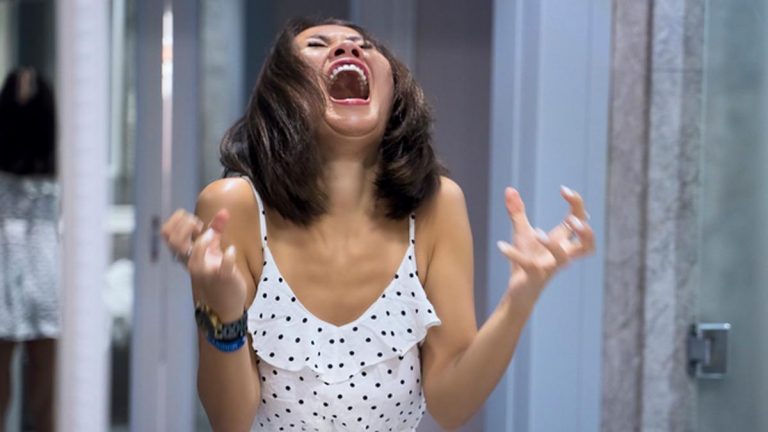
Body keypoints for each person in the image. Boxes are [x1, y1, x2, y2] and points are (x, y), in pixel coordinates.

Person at [162, 17, 595, 431]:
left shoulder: (437, 206)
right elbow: (230, 422)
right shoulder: (232, 206)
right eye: (317, 45)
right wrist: (222, 309)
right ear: (282, 93)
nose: (347, 48)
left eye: (365, 46)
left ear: (393, 92)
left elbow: (451, 405)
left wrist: (520, 299)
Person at [0, 68, 59, 432]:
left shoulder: (58, 168)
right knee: (42, 388)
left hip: (32, 270)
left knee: (44, 392)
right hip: (36, 269)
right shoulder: (58, 169)